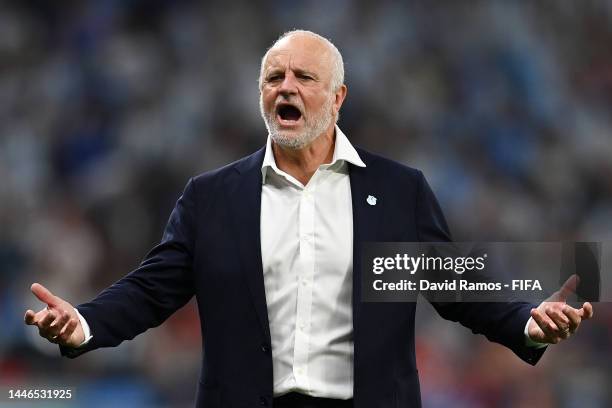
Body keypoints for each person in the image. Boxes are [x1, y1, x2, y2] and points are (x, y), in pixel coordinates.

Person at [24, 30, 594, 408]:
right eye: (274, 78)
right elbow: (152, 290)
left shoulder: (397, 191)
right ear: (261, 96)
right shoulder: (212, 197)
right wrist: (86, 325)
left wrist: (525, 321)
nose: (286, 88)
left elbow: (456, 288)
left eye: (304, 77)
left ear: (338, 96)